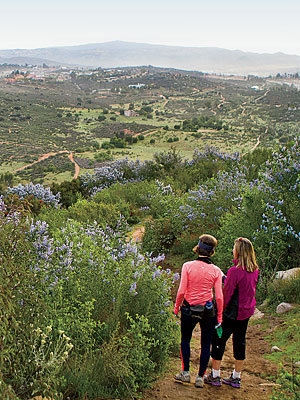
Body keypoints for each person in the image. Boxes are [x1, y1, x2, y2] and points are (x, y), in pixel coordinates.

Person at [205, 237, 259, 389]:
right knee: (239, 342)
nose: (232, 250)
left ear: (239, 252)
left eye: (234, 248)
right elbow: (245, 286)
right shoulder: (254, 270)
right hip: (246, 312)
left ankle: (215, 375)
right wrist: (226, 279)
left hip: (231, 313)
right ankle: (237, 377)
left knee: (218, 340)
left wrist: (218, 310)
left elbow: (227, 294)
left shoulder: (234, 271)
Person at [173, 234, 224, 388]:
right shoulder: (216, 270)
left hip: (189, 308)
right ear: (212, 251)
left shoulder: (187, 266)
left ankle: (185, 373)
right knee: (206, 343)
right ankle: (200, 377)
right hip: (208, 311)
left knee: (185, 339)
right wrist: (219, 316)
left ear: (198, 248)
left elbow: (181, 291)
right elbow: (219, 297)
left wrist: (176, 308)